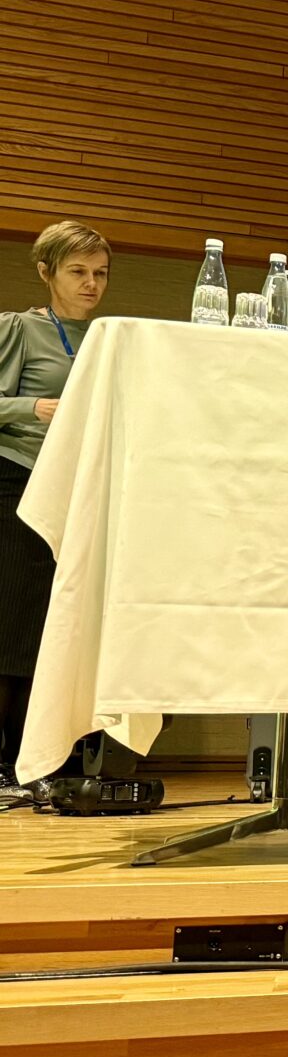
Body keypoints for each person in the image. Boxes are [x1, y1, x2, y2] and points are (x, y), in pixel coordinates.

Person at [0, 219, 110, 783]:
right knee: (15, 626)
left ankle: (46, 757)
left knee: (58, 629)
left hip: (83, 494)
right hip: (20, 484)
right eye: (78, 272)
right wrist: (34, 407)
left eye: (101, 273)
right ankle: (7, 760)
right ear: (46, 273)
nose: (92, 284)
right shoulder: (20, 328)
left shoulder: (109, 340)